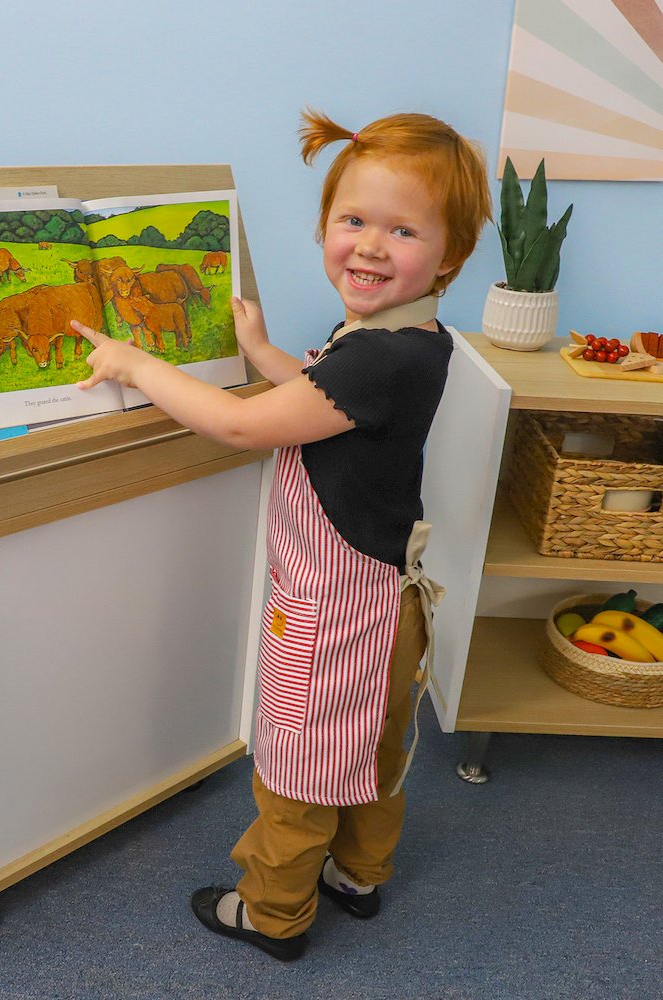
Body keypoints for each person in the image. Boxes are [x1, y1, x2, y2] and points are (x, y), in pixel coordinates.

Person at [70, 108, 492, 961]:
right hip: (385, 604)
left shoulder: (379, 357)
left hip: (336, 616)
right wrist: (264, 351)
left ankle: (272, 913)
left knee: (297, 768)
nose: (371, 246)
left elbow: (236, 428)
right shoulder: (413, 337)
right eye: (354, 221)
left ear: (448, 255)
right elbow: (325, 397)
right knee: (373, 754)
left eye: (402, 230)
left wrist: (137, 365)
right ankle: (359, 878)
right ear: (324, 226)